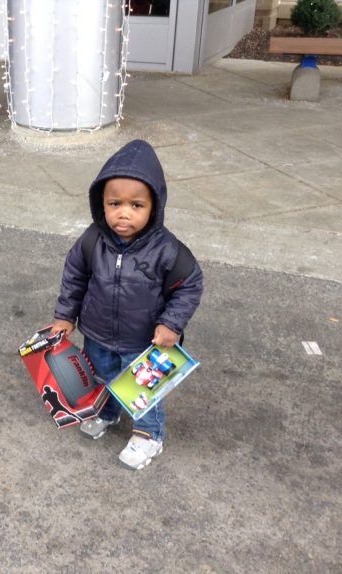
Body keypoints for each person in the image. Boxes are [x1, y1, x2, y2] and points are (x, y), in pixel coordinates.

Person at [51, 139, 203, 470]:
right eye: (114, 203)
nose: (124, 213)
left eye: (136, 205)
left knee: (142, 390)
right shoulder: (92, 240)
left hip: (145, 340)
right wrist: (65, 316)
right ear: (101, 203)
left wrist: (171, 324)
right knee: (102, 377)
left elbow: (189, 285)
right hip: (98, 332)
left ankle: (149, 437)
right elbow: (74, 276)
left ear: (154, 207)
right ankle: (107, 413)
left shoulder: (168, 250)